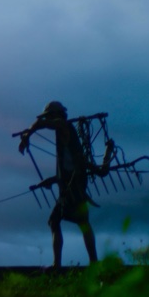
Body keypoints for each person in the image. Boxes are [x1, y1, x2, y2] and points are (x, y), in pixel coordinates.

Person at [17, 101, 98, 267]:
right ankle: (70, 263)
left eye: (49, 116)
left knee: (73, 222)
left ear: (56, 116)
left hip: (74, 186)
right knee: (60, 221)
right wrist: (52, 180)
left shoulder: (62, 126)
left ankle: (68, 264)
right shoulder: (62, 135)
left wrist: (27, 135)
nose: (48, 119)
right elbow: (67, 166)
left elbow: (42, 123)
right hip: (70, 184)